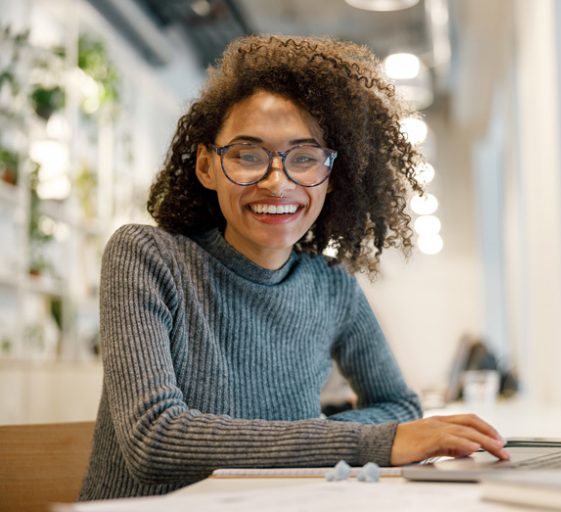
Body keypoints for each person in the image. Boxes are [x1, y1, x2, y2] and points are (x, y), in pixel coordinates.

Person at [79, 34, 508, 501]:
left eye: (304, 158)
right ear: (206, 167)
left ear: (330, 176)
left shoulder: (332, 286)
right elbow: (154, 439)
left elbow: (398, 405)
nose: (277, 182)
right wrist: (362, 441)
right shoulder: (146, 256)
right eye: (248, 155)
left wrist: (320, 435)